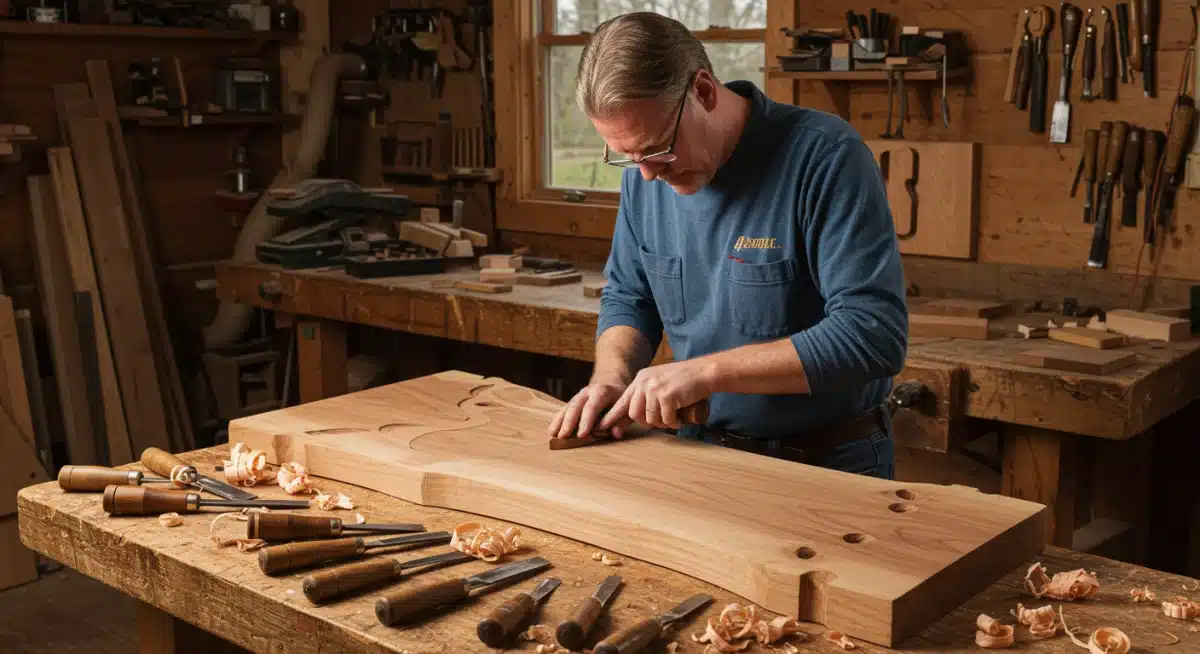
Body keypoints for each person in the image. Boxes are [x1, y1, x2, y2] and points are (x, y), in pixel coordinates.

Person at [545, 12, 909, 479]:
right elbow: (630, 297)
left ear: (703, 91)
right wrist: (612, 377)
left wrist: (704, 373)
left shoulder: (826, 157)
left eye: (657, 148)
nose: (648, 173)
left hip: (826, 462)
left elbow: (872, 335)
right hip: (702, 457)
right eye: (628, 157)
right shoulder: (646, 174)